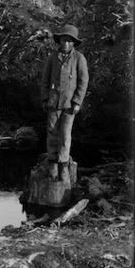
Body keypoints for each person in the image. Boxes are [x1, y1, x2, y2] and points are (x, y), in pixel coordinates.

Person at [40, 24, 89, 183]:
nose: (66, 43)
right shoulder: (52, 57)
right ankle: (53, 163)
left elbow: (83, 82)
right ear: (59, 41)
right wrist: (45, 99)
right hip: (53, 103)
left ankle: (63, 165)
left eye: (69, 41)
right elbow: (45, 80)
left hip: (69, 105)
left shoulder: (79, 58)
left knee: (65, 135)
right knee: (52, 133)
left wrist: (77, 102)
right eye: (63, 40)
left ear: (73, 43)